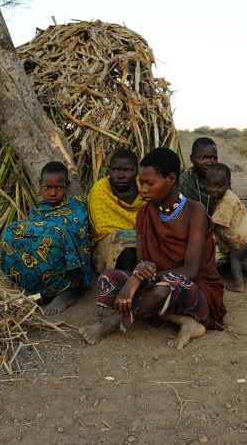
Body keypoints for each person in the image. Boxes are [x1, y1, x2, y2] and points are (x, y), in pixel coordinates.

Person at [79, 147, 226, 349]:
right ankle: (182, 321)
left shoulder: (195, 211)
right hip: (157, 283)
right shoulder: (145, 213)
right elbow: (143, 263)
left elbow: (191, 271)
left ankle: (113, 323)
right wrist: (138, 274)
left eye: (150, 183)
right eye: (141, 183)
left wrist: (137, 278)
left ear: (171, 179)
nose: (144, 189)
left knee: (166, 287)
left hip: (195, 288)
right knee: (108, 277)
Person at [0, 161, 92, 315]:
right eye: (47, 187)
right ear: (40, 185)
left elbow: (78, 239)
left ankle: (65, 294)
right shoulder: (38, 210)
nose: (53, 192)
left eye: (59, 187)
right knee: (11, 231)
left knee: (54, 236)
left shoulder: (77, 207)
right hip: (41, 272)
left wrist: (53, 233)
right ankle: (38, 291)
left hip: (69, 276)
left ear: (67, 186)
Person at [205, 163, 247, 292]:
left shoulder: (227, 201)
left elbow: (214, 224)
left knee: (234, 257)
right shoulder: (223, 196)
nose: (213, 189)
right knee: (240, 259)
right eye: (210, 185)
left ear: (228, 184)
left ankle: (238, 284)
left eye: (218, 186)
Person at [87, 149, 144, 273]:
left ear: (137, 171)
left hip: (142, 238)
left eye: (127, 170)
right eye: (115, 169)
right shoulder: (100, 190)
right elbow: (101, 229)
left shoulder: (144, 189)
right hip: (108, 244)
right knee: (125, 246)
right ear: (109, 170)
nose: (120, 174)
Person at [179, 136, 218, 213]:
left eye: (213, 158)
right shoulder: (183, 183)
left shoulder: (220, 180)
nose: (209, 163)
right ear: (192, 158)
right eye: (202, 158)